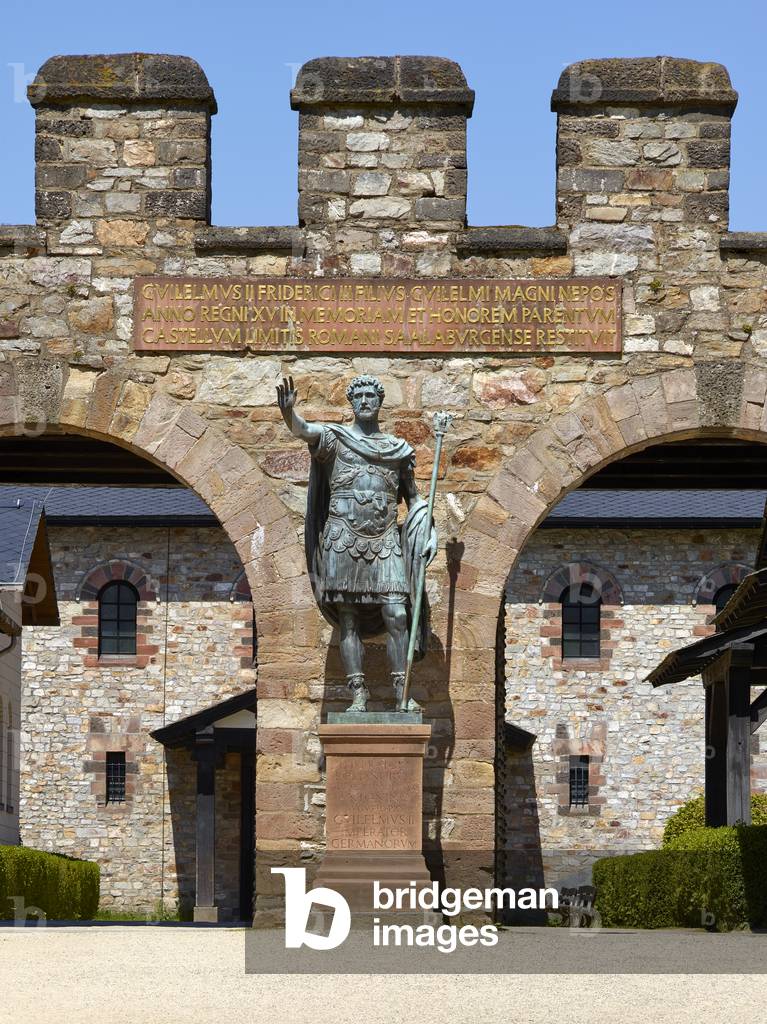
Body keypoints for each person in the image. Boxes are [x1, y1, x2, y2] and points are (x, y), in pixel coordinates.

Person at [276, 374, 437, 712]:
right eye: (359, 396)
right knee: (347, 618)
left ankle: (401, 692)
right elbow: (305, 430)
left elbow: (415, 499)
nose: (365, 401)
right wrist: (289, 414)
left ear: (379, 401)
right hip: (343, 538)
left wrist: (428, 529)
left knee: (396, 613)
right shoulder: (335, 439)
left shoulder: (397, 450)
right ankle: (358, 694)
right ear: (351, 402)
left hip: (384, 540)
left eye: (370, 396)